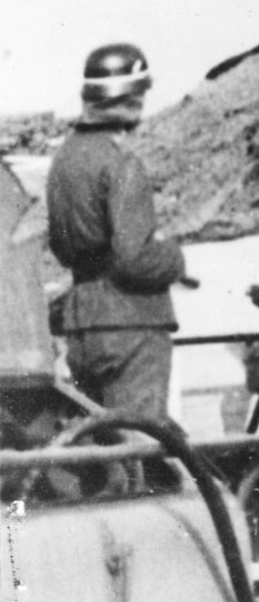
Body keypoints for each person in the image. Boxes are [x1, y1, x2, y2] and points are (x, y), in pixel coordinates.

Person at [44, 44, 188, 424]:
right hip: (133, 326)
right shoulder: (121, 161)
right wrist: (174, 258)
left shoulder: (64, 160)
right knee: (141, 446)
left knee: (108, 456)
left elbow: (61, 248)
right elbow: (133, 258)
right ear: (130, 96)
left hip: (83, 326)